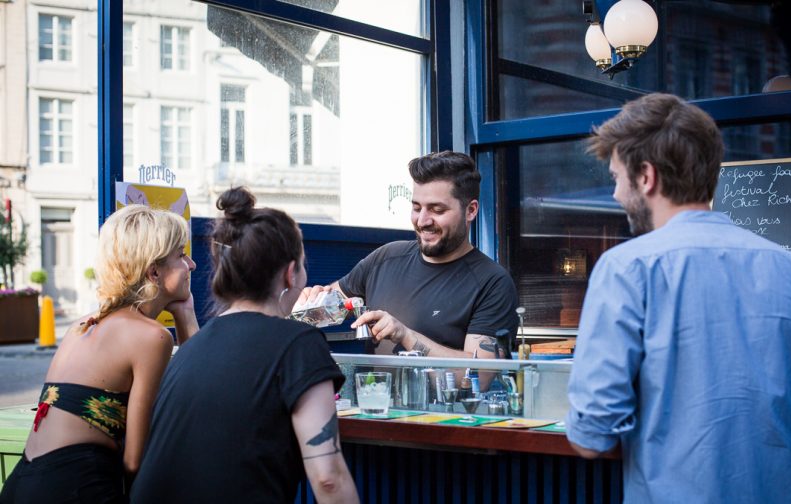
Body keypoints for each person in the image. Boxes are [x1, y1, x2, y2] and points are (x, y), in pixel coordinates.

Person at [565, 93, 791, 504]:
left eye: (616, 178)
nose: (614, 195)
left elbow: (592, 436)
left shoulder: (627, 268)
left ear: (646, 176)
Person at [130, 187, 358, 504]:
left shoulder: (192, 349)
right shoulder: (299, 342)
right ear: (290, 274)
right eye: (304, 265)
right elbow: (328, 479)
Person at [0, 204, 197, 503]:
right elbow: (136, 460)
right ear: (154, 271)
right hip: (75, 486)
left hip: (24, 482)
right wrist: (187, 317)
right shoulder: (150, 336)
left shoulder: (83, 324)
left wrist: (184, 312)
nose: (192, 264)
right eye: (181, 255)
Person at [299, 151, 518, 360]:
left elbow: (482, 373)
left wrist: (406, 336)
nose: (423, 220)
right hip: (373, 397)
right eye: (416, 207)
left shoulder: (492, 283)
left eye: (437, 210)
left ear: (470, 210)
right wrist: (309, 305)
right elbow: (331, 307)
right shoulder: (385, 258)